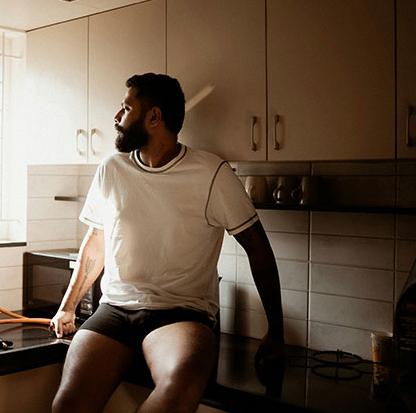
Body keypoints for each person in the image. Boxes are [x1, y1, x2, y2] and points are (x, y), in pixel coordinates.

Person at [50, 73, 285, 413]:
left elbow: (258, 249)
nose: (116, 118)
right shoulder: (111, 169)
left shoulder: (212, 173)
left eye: (125, 108)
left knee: (176, 391)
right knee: (67, 406)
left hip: (182, 315)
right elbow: (96, 242)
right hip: (114, 311)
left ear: (154, 117)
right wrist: (68, 306)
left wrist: (275, 331)